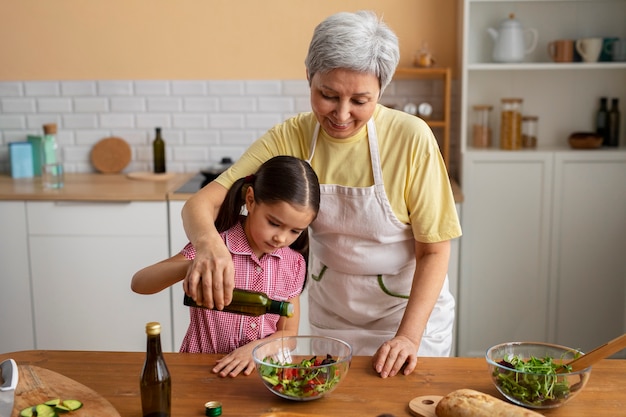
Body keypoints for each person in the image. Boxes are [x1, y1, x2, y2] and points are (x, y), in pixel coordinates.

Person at [181, 10, 462, 379]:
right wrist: (209, 245)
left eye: (361, 101)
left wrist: (408, 337)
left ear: (381, 90)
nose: (341, 114)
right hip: (333, 316)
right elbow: (201, 202)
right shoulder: (293, 135)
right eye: (327, 95)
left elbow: (435, 250)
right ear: (309, 78)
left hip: (406, 317)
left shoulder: (411, 139)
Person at [131, 155, 320, 377]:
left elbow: (288, 334)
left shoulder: (293, 264)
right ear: (250, 200)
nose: (281, 238)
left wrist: (255, 351)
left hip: (259, 372)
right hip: (201, 369)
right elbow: (140, 283)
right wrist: (193, 266)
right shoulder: (214, 248)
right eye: (274, 223)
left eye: (294, 231)